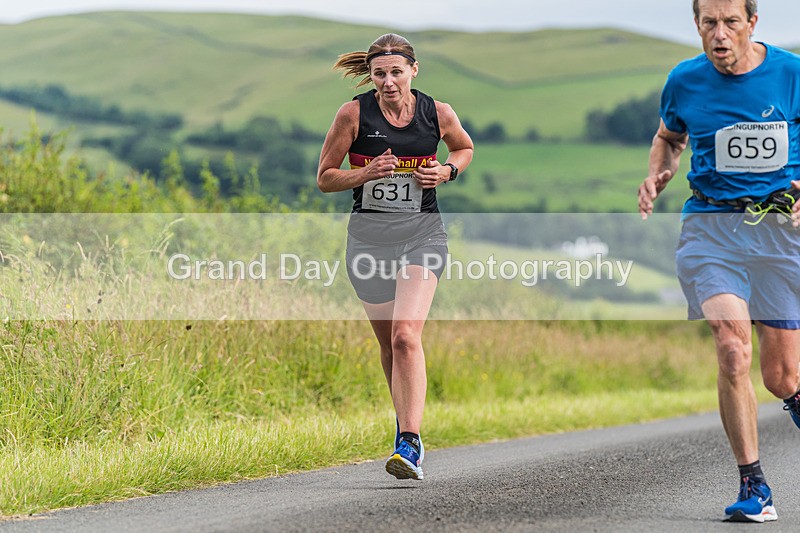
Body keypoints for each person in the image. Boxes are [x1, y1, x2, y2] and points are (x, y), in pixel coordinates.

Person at [638, 0, 800, 523]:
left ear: (753, 23)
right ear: (697, 26)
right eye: (710, 22)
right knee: (732, 347)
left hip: (779, 233)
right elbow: (669, 136)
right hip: (710, 228)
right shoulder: (684, 80)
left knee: (782, 377)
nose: (720, 33)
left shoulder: (790, 73)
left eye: (731, 21)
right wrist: (660, 172)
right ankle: (754, 486)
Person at [316, 33, 474, 480]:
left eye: (396, 73)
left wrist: (446, 171)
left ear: (414, 70)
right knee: (389, 344)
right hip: (368, 242)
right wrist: (365, 172)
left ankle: (410, 441)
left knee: (406, 335)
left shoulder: (437, 112)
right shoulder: (353, 114)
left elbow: (464, 147)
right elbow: (325, 178)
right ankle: (405, 426)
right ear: (371, 76)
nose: (388, 82)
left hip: (423, 234)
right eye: (379, 74)